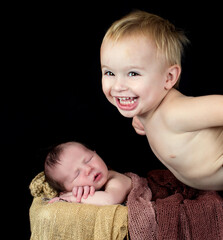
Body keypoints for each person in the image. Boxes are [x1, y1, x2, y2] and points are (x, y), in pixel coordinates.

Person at [100, 10, 223, 191]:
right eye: (109, 73)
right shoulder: (147, 112)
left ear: (169, 77)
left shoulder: (175, 112)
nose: (118, 86)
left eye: (133, 73)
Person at [44, 141, 132, 205]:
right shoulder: (88, 194)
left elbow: (110, 199)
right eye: (77, 174)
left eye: (88, 160)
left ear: (95, 153)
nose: (88, 169)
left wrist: (71, 198)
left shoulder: (115, 178)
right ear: (66, 191)